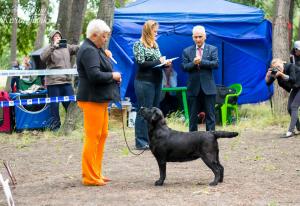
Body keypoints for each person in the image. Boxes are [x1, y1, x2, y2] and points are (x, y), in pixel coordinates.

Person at [76, 19, 121, 186]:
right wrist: (113, 76)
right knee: (92, 137)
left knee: (101, 135)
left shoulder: (95, 48)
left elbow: (100, 65)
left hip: (99, 99)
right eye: (104, 36)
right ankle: (89, 176)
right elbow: (94, 75)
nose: (106, 39)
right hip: (91, 99)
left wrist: (105, 55)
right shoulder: (89, 50)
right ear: (94, 35)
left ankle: (97, 172)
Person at [133, 20, 172, 150]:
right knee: (144, 110)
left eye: (157, 31)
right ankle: (140, 141)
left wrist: (165, 63)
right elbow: (141, 63)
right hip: (144, 82)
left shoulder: (155, 45)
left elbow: (157, 63)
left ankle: (151, 139)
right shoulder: (138, 44)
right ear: (148, 31)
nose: (157, 33)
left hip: (156, 81)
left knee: (155, 110)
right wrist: (158, 61)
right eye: (155, 31)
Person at [40, 30, 79, 131]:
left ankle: (71, 125)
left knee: (70, 104)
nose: (57, 37)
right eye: (55, 36)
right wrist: (53, 46)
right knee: (54, 105)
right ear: (52, 38)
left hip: (66, 81)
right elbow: (43, 57)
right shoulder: (49, 48)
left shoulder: (66, 47)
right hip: (53, 82)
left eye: (59, 36)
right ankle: (55, 127)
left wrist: (86, 45)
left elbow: (77, 48)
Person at [182, 25, 219, 132]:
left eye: (200, 37)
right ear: (192, 37)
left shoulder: (212, 49)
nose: (198, 39)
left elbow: (216, 64)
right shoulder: (187, 51)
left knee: (210, 117)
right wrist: (193, 63)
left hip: (208, 88)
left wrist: (201, 62)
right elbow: (184, 67)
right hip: (193, 88)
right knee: (193, 118)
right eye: (195, 37)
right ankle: (192, 142)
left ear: (205, 37)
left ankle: (211, 139)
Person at [265, 58, 300, 138]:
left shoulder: (290, 66)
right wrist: (267, 75)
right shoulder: (277, 73)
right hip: (296, 88)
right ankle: (299, 128)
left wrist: (281, 74)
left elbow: (292, 79)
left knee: (294, 106)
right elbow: (268, 83)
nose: (278, 68)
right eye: (275, 68)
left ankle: (290, 131)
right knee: (289, 108)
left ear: (282, 63)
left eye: (278, 66)